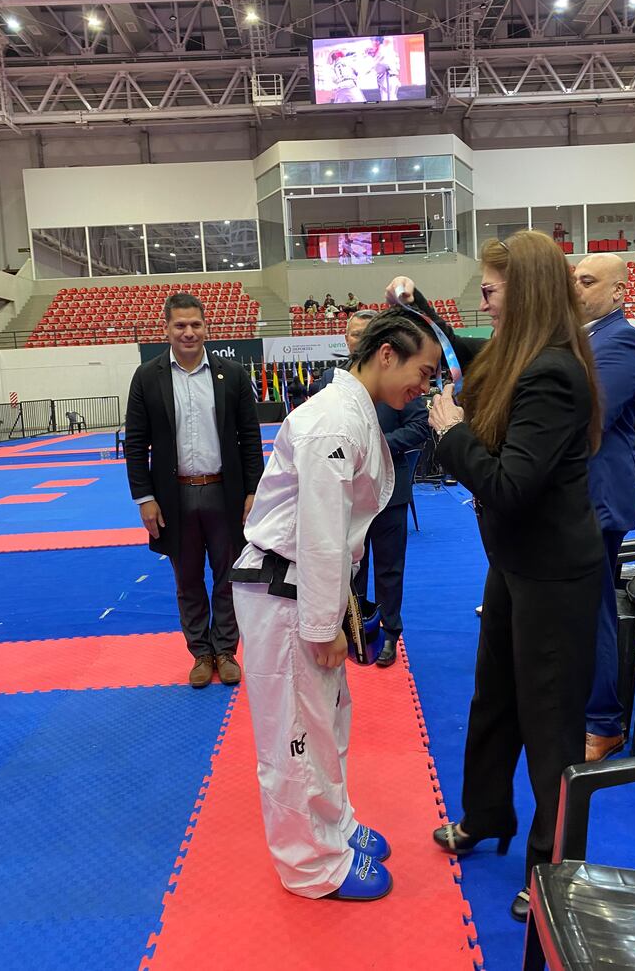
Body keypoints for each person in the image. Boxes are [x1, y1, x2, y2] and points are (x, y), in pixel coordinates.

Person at [395, 230, 604, 923]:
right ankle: (488, 814)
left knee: (550, 724)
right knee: (494, 702)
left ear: (527, 292)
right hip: (515, 565)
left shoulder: (554, 373)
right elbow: (464, 349)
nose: (482, 301)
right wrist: (419, 306)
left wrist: (452, 433)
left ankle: (553, 865)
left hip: (555, 573)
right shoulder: (521, 360)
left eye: (490, 290)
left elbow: (511, 485)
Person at [230, 307, 441, 902]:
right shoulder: (334, 422)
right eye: (421, 374)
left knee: (327, 723)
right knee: (295, 734)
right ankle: (309, 863)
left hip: (310, 585)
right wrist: (325, 627)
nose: (422, 388)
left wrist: (332, 613)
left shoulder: (354, 412)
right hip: (287, 588)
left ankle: (335, 825)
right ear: (385, 356)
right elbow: (321, 532)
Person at [125, 292, 263, 688]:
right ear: (166, 329)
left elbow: (249, 439)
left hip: (225, 492)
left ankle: (226, 650)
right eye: (180, 325)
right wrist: (145, 498)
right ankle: (200, 653)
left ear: (206, 327)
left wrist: (254, 490)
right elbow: (136, 443)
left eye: (195, 324)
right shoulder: (148, 377)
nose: (189, 332)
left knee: (229, 576)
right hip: (174, 497)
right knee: (187, 579)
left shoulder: (232, 374)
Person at [317, 309, 430, 668]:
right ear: (346, 338)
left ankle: (391, 634)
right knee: (351, 566)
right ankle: (355, 626)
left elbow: (419, 428)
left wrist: (374, 444)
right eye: (354, 333)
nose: (358, 339)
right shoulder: (330, 382)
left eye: (366, 333)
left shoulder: (402, 381)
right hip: (346, 492)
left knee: (389, 568)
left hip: (390, 492)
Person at [573, 253, 635, 762]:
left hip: (597, 494)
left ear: (619, 291)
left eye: (586, 281)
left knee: (594, 608)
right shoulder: (582, 339)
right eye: (572, 280)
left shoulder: (623, 339)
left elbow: (585, 412)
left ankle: (604, 721)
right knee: (577, 609)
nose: (574, 289)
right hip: (574, 495)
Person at [366, 36, 400, 101]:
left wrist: (372, 57)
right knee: (387, 101)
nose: (371, 43)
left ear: (377, 42)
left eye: (372, 41)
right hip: (385, 79)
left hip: (388, 78)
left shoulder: (384, 50)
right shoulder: (380, 51)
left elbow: (382, 65)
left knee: (390, 102)